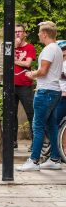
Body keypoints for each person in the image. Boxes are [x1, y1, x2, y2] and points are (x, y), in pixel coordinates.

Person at [17, 21, 63, 171]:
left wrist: (31, 74)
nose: (37, 35)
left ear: (44, 34)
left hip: (46, 91)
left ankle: (34, 160)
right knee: (51, 126)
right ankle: (55, 159)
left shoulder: (49, 49)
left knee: (38, 126)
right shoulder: (56, 48)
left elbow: (43, 71)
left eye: (39, 33)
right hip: (54, 91)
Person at [13, 24, 36, 150]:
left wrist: (14, 61)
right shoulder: (11, 47)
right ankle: (13, 142)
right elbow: (5, 60)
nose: (17, 34)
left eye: (20, 32)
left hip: (25, 85)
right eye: (15, 32)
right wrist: (14, 47)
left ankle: (34, 142)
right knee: (11, 114)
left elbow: (27, 63)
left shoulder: (29, 47)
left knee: (30, 113)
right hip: (11, 84)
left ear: (24, 33)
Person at [56, 40, 66, 125]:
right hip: (57, 96)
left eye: (64, 48)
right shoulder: (55, 63)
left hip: (63, 97)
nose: (63, 50)